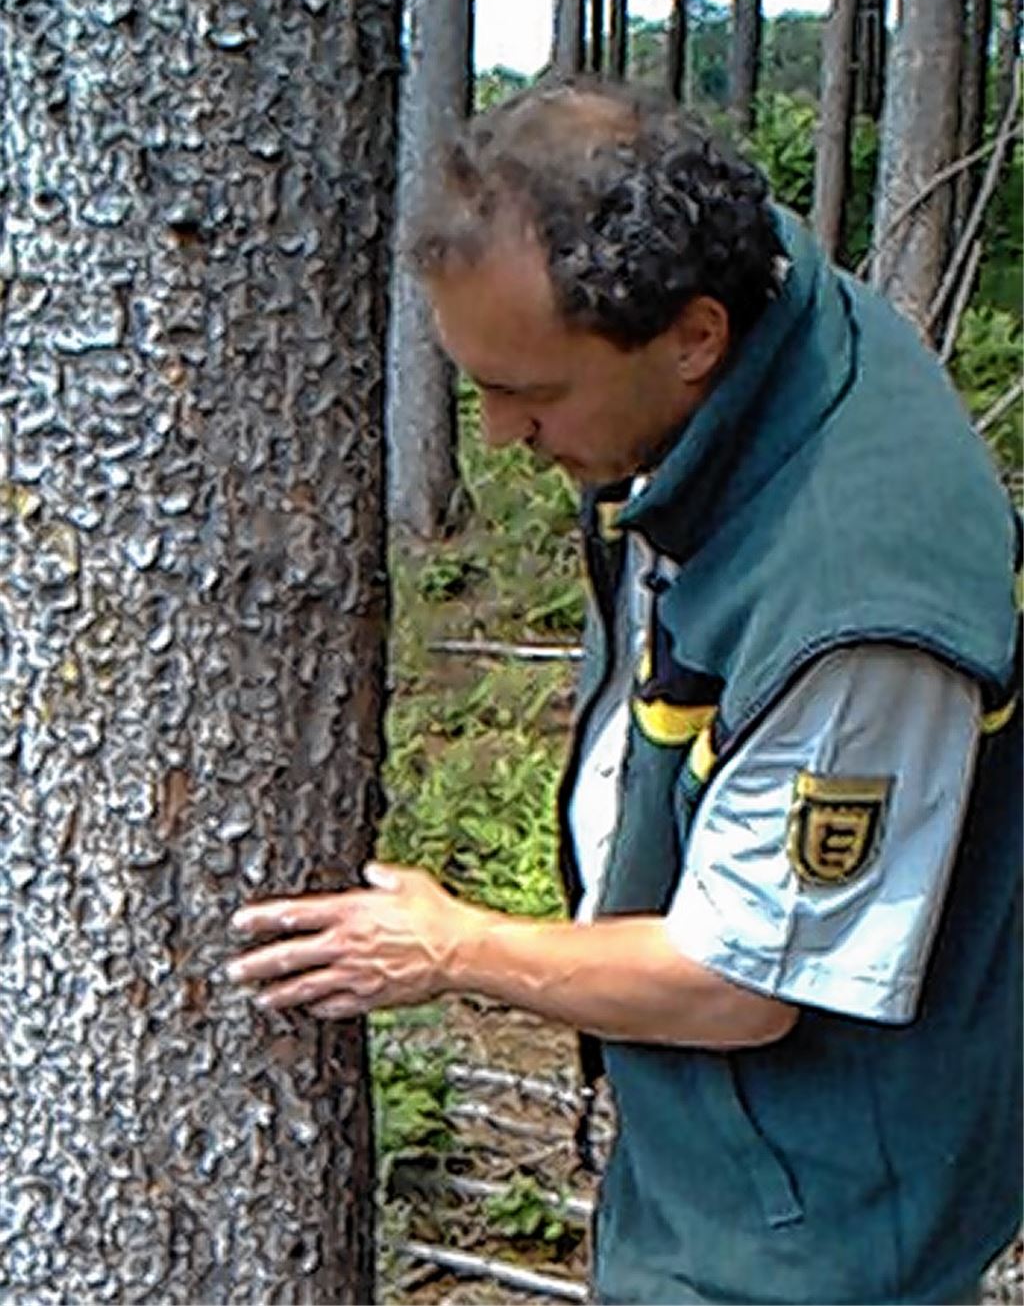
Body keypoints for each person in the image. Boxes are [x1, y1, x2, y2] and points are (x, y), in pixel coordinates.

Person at [225, 80, 1022, 1305]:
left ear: (691, 338)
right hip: (725, 1163)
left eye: (533, 394)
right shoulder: (743, 323)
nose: (499, 433)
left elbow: (739, 983)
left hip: (815, 1234)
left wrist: (455, 947)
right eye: (480, 385)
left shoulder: (852, 598)